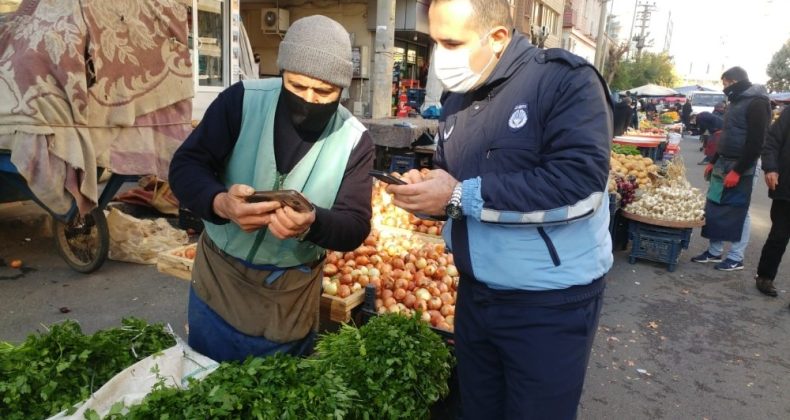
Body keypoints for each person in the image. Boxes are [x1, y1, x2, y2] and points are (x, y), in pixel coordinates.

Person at [386, 0, 612, 418]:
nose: (439, 56)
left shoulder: (564, 82)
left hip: (548, 305)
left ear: (498, 37)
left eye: (451, 42)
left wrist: (458, 195)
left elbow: (580, 186)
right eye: (435, 41)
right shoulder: (457, 99)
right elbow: (456, 183)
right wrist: (429, 192)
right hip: (475, 295)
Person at [168, 15, 374, 362]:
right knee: (206, 382)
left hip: (289, 294)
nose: (309, 99)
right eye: (296, 86)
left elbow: (355, 224)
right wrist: (221, 203)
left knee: (277, 395)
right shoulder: (242, 101)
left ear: (343, 88)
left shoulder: (354, 140)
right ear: (281, 74)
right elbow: (187, 165)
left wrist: (312, 224)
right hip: (219, 279)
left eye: (324, 92)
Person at [692, 66, 771, 271]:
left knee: (738, 208)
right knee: (715, 205)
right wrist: (713, 160)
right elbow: (725, 135)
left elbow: (756, 142)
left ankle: (736, 257)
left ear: (735, 81)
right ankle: (714, 252)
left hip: (743, 164)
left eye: (726, 83)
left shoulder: (758, 103)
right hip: (722, 161)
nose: (724, 88)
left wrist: (737, 170)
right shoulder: (734, 101)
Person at [754, 106, 790, 300]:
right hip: (787, 187)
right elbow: (772, 141)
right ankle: (765, 277)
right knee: (779, 235)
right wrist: (771, 168)